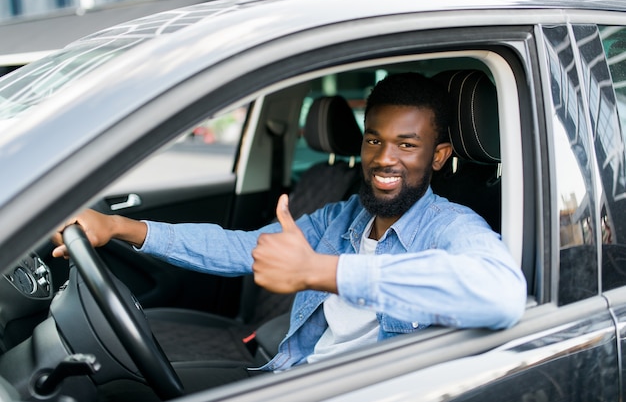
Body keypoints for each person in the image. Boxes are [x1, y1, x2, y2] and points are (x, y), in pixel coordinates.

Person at [52, 72, 527, 374]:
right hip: (295, 371)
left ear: (439, 155)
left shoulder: (451, 227)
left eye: (407, 145)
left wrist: (322, 272)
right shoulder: (343, 217)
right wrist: (119, 228)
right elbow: (241, 248)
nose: (385, 159)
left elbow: (500, 293)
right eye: (374, 141)